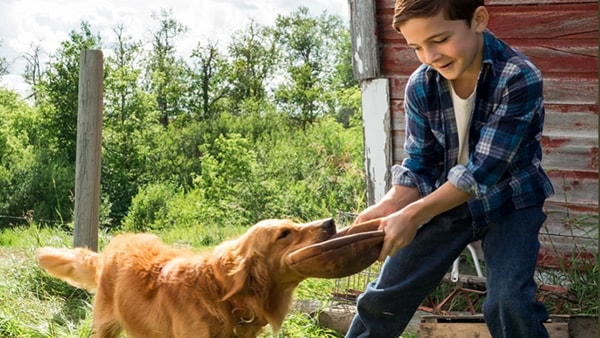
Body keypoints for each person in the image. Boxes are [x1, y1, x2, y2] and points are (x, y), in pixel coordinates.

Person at [345, 0, 554, 337]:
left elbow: (482, 172)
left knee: (509, 303)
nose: (430, 57)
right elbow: (420, 165)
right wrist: (390, 205)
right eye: (416, 47)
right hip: (446, 203)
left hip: (511, 203)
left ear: (478, 19)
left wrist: (412, 216)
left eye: (439, 40)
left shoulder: (519, 77)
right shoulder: (421, 86)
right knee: (382, 297)